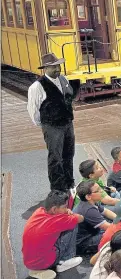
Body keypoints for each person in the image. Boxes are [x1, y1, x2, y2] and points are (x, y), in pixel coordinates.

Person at [27, 53, 77, 191]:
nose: (57, 69)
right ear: (45, 68)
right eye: (53, 67)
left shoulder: (63, 79)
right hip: (52, 126)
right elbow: (33, 110)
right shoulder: (37, 87)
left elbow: (68, 97)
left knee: (69, 154)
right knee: (55, 158)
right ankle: (57, 188)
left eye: (58, 65)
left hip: (67, 124)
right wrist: (45, 124)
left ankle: (69, 182)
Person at [22, 190, 84, 279]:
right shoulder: (58, 220)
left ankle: (37, 269)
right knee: (73, 223)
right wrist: (68, 213)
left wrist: (65, 211)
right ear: (54, 209)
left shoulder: (39, 211)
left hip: (28, 261)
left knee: (66, 225)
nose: (66, 208)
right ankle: (66, 260)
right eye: (65, 207)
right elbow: (80, 218)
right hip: (45, 261)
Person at [73, 180, 117, 255]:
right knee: (117, 236)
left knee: (115, 224)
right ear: (88, 196)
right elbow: (108, 227)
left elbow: (106, 211)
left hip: (93, 232)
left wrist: (120, 219)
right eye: (98, 190)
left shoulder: (91, 202)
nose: (101, 191)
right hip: (84, 242)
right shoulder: (88, 210)